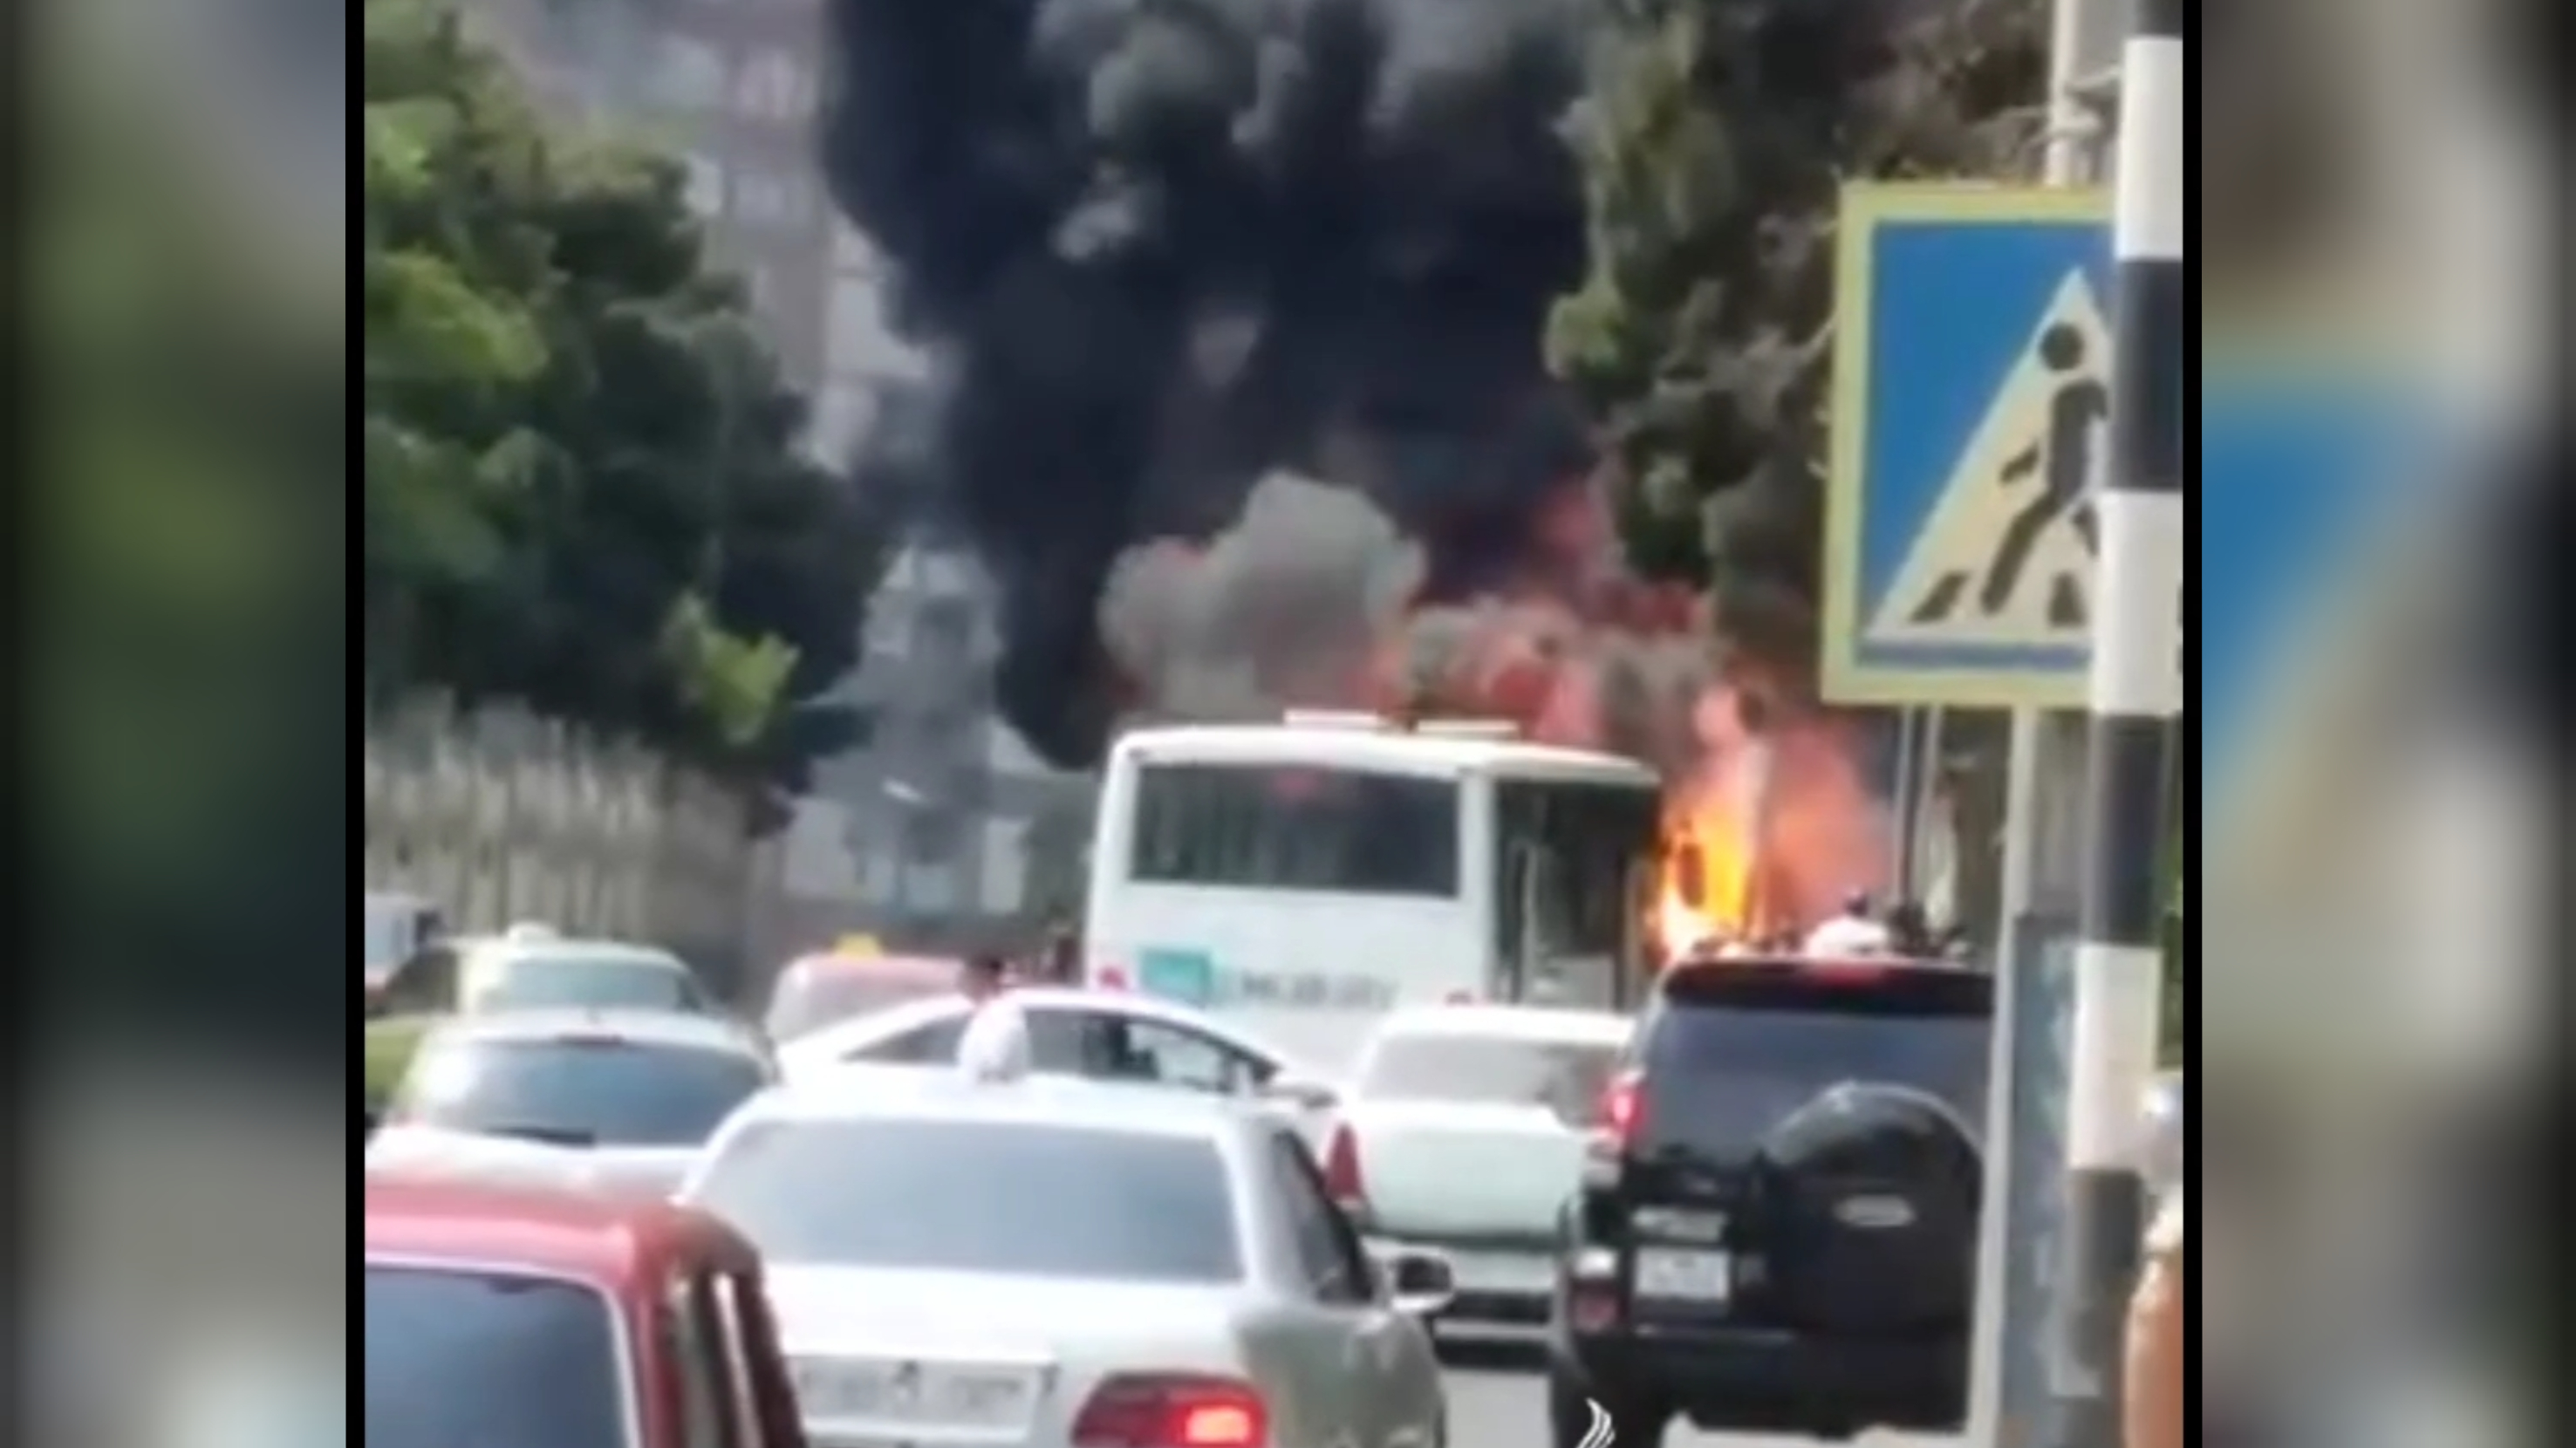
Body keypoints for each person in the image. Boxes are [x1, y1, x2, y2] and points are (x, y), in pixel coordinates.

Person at [953, 954, 1031, 1081]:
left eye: (966, 974)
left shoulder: (1001, 1015)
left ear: (984, 976)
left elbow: (991, 1068)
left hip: (991, 1098)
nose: (960, 981)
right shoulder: (987, 1013)